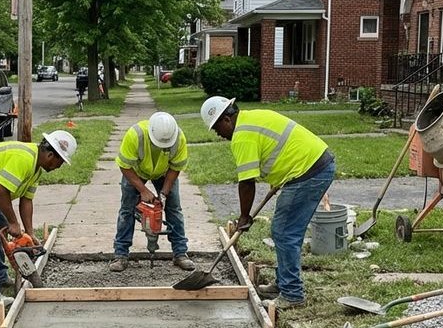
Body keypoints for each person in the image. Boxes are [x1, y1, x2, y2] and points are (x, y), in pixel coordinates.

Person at [201, 96, 336, 308]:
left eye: (217, 129)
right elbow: (277, 147)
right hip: (313, 166)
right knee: (285, 231)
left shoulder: (242, 136)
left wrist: (244, 216)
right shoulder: (252, 117)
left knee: (284, 232)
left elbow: (246, 183)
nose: (219, 135)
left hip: (308, 172)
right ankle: (284, 283)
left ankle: (292, 294)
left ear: (226, 119)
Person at [0, 131, 77, 305]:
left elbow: (26, 201)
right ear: (49, 155)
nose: (59, 166)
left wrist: (30, 233)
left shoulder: (35, 169)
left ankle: (0, 277)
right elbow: (1, 191)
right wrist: (13, 222)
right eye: (60, 161)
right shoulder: (24, 159)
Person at [110, 112, 193, 272]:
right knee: (127, 210)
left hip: (165, 172)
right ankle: (120, 255)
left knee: (174, 208)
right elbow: (124, 165)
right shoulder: (135, 135)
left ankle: (180, 253)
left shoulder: (179, 138)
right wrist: (143, 190)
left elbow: (176, 167)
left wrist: (163, 194)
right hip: (135, 172)